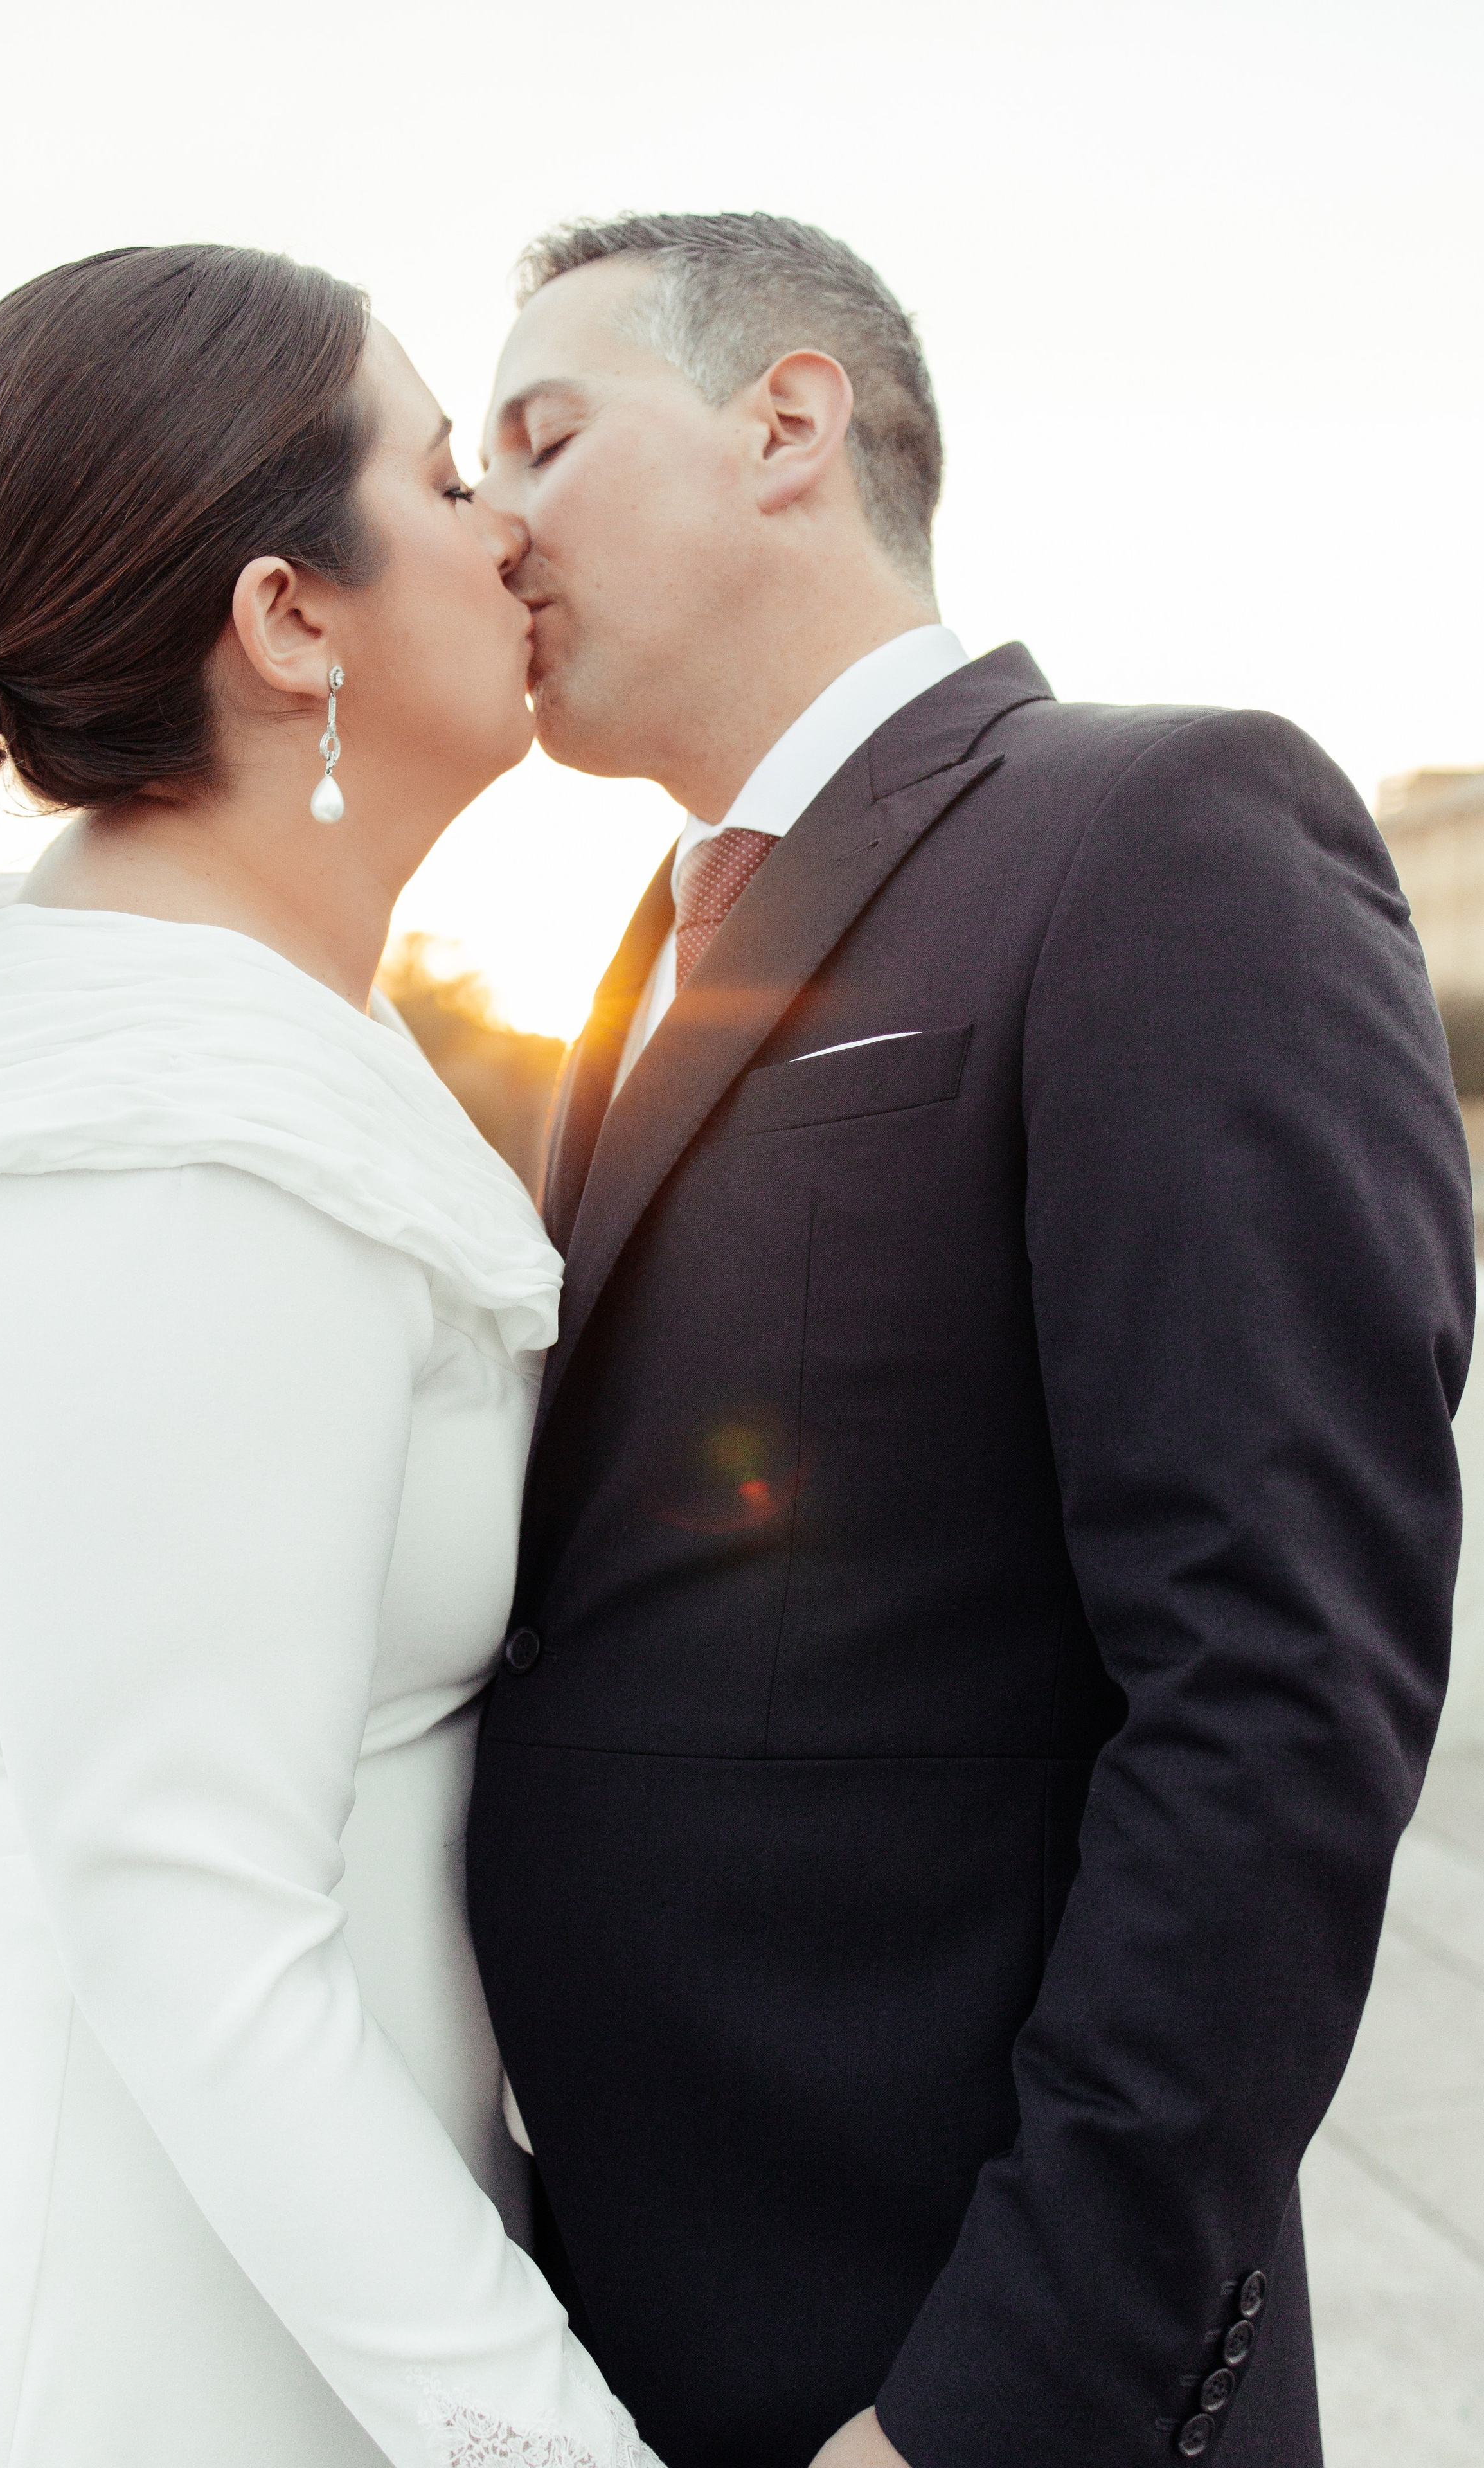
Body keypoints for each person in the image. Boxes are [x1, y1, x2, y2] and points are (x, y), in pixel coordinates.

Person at [465, 211, 1476, 2468]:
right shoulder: (650, 942)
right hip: (635, 2312)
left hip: (948, 2355)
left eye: (540, 433)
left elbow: (1281, 1689)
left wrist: (1000, 2401)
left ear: (788, 423)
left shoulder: (1162, 829)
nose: (485, 515)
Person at [0, 244, 661, 2468]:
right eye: (436, 465)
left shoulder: (207, 1038)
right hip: (141, 2317)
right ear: (294, 618)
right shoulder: (162, 1148)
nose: (507, 517)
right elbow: (189, 1918)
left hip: (255, 2254)